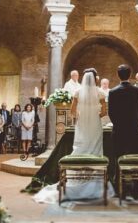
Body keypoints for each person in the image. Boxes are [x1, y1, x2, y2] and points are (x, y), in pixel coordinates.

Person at [34, 70, 115, 203]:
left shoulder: (78, 92)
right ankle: (94, 177)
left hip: (82, 124)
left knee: (81, 146)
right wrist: (95, 116)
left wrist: (81, 117)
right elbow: (105, 111)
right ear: (95, 80)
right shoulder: (100, 93)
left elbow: (72, 112)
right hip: (95, 125)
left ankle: (77, 176)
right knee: (95, 148)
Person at [108, 64, 138, 199]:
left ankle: (120, 189)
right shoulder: (137, 91)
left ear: (118, 75)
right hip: (135, 130)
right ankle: (136, 190)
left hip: (119, 130)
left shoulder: (112, 92)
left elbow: (111, 113)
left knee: (119, 160)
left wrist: (119, 124)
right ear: (130, 75)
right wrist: (134, 124)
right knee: (135, 159)